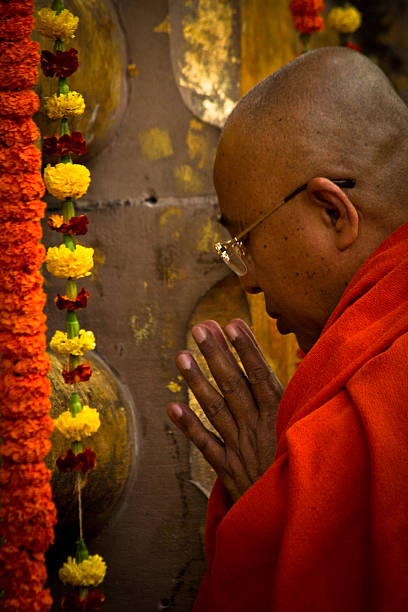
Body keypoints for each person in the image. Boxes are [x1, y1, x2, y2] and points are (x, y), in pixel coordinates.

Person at [167, 46, 408, 611]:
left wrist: (273, 518)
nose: (247, 281)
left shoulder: (379, 404)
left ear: (333, 212)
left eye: (243, 239)